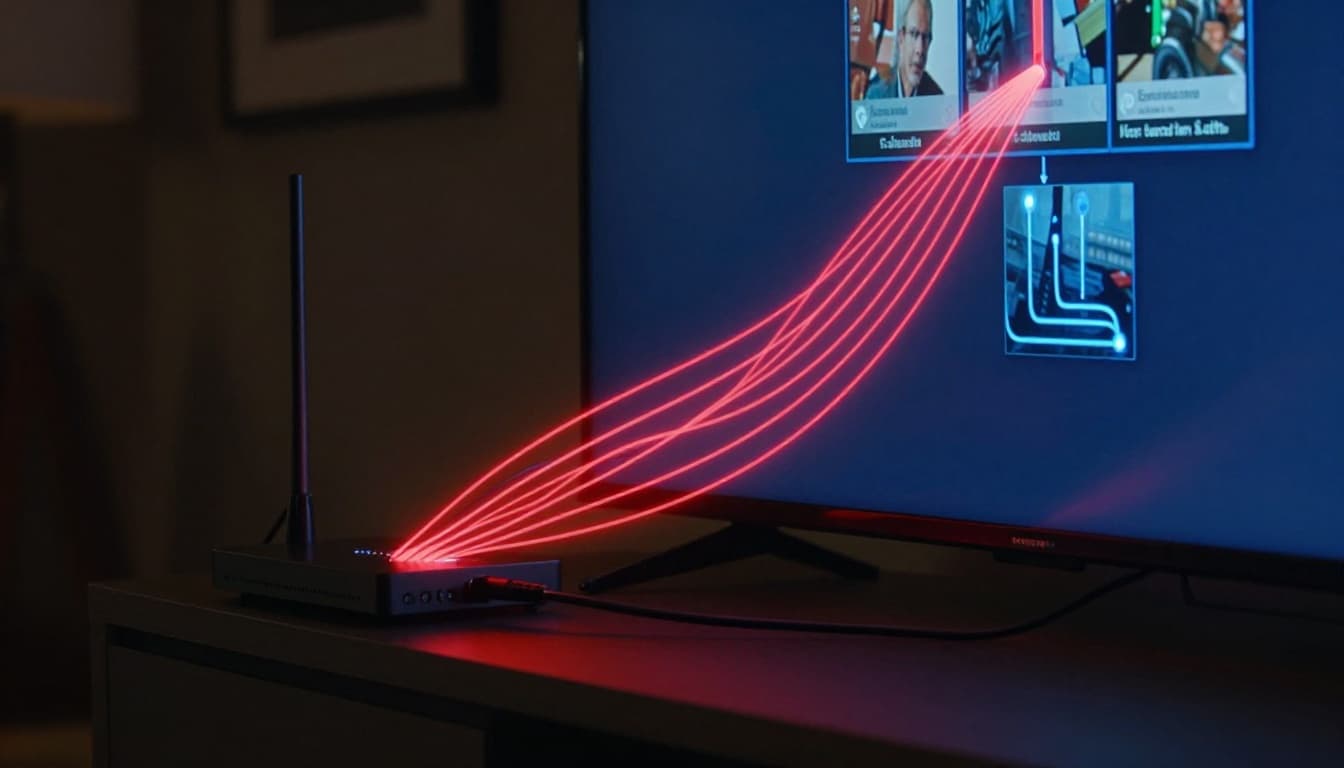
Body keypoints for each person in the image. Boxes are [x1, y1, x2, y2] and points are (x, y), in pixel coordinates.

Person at [865, 0, 943, 98]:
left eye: (925, 37)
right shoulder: (875, 94)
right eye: (914, 34)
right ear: (901, 38)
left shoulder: (936, 97)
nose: (920, 49)